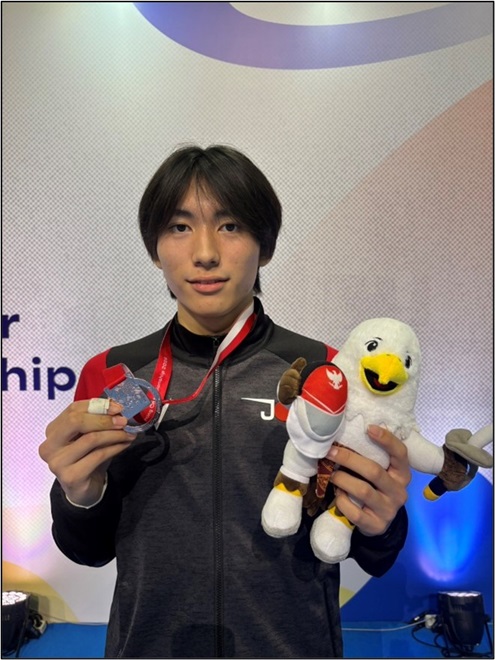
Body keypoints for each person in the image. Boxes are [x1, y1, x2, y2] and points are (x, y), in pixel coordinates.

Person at [39, 145, 410, 659]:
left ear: (265, 244)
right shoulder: (112, 375)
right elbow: (88, 550)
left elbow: (375, 554)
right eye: (179, 226)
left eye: (231, 225)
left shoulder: (328, 372)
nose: (206, 252)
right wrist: (79, 496)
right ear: (155, 248)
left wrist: (384, 522)